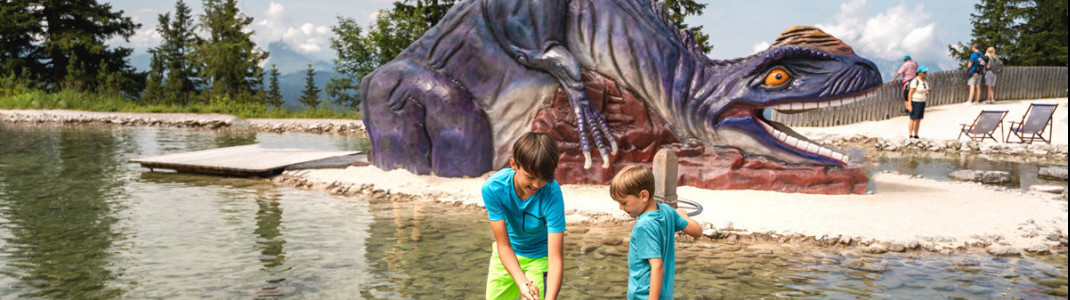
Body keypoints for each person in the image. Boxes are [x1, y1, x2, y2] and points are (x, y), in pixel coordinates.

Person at [482, 132, 565, 300]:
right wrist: (522, 283)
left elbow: (555, 258)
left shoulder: (552, 193)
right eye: (530, 176)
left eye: (543, 179)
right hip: (507, 253)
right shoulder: (493, 188)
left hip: (541, 256)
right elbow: (503, 245)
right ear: (514, 164)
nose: (536, 184)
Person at [609, 165, 702, 300]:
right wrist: (684, 217)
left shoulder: (644, 226)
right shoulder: (667, 211)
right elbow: (697, 231)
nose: (620, 207)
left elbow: (657, 266)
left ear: (643, 196)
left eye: (624, 202)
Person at [906, 66, 931, 139]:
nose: (925, 73)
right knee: (913, 118)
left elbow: (925, 89)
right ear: (919, 73)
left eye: (925, 72)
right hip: (915, 101)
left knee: (918, 119)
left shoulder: (925, 80)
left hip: (922, 101)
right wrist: (909, 104)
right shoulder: (915, 81)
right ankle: (910, 134)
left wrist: (926, 92)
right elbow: (910, 93)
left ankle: (916, 134)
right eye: (923, 72)